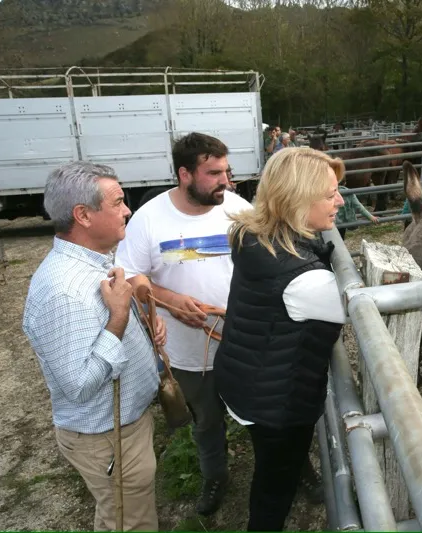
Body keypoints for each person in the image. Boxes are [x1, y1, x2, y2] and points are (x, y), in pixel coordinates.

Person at [213, 147, 422, 531]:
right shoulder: (303, 279)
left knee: (270, 471)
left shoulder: (257, 236)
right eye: (330, 193)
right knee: (273, 494)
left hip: (247, 380)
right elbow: (382, 308)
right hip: (276, 403)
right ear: (297, 199)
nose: (341, 200)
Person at [113, 132, 254, 516]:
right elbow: (128, 277)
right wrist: (172, 301)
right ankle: (215, 476)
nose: (224, 180)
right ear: (185, 174)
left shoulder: (239, 209)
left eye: (226, 171)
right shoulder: (148, 219)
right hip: (187, 351)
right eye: (213, 173)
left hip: (242, 341)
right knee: (206, 420)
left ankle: (286, 470)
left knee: (260, 411)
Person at [22, 161, 164, 531]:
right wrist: (118, 320)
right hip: (107, 438)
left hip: (121, 429)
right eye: (117, 202)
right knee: (128, 524)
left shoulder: (93, 264)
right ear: (83, 215)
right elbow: (80, 386)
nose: (128, 210)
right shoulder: (63, 291)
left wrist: (141, 326)